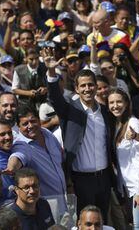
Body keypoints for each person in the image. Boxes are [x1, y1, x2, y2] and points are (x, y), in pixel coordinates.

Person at [44, 48, 115, 219]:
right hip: (81, 180)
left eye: (91, 84)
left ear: (97, 87)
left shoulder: (106, 113)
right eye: (83, 85)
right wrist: (52, 71)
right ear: (76, 89)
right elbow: (55, 98)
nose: (87, 89)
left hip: (104, 178)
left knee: (102, 219)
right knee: (86, 222)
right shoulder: (69, 111)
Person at [6, 105, 66, 217]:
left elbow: (61, 161)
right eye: (25, 124)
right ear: (18, 127)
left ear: (39, 120)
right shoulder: (22, 145)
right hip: (46, 208)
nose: (30, 126)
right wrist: (12, 168)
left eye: (33, 121)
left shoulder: (47, 134)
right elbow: (17, 157)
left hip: (65, 201)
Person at [107, 88, 139, 229]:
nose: (115, 105)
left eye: (119, 101)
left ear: (126, 103)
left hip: (137, 187)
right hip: (126, 188)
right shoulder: (117, 124)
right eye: (111, 102)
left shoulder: (133, 123)